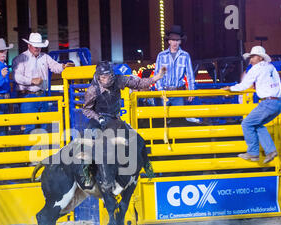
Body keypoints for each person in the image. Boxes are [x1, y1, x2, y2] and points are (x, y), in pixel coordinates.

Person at [82, 61, 166, 190]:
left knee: (137, 138)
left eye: (108, 76)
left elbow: (138, 83)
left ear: (112, 75)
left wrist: (156, 77)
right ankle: (86, 173)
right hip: (98, 119)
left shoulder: (119, 80)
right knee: (88, 141)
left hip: (114, 119)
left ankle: (147, 167)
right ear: (98, 77)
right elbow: (86, 109)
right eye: (103, 77)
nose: (106, 79)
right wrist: (98, 118)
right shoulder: (92, 90)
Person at [222, 46, 281, 164]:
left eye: (252, 57)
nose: (250, 60)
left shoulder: (256, 69)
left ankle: (253, 152)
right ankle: (270, 151)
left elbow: (243, 86)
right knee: (257, 124)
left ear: (260, 58)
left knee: (246, 123)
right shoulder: (271, 67)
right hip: (278, 103)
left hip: (268, 102)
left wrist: (230, 88)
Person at [12, 32, 74, 134]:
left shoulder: (44, 57)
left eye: (39, 47)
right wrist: (31, 80)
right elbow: (16, 77)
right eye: (35, 46)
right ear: (29, 45)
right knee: (30, 127)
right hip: (28, 96)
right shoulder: (20, 59)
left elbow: (55, 66)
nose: (37, 49)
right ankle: (30, 149)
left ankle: (41, 149)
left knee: (43, 127)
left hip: (41, 95)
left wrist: (63, 66)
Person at [154, 25, 197, 124]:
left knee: (179, 120)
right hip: (165, 92)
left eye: (177, 40)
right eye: (173, 40)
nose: (175, 42)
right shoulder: (161, 55)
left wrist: (191, 91)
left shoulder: (185, 55)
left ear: (180, 42)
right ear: (169, 41)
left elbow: (190, 75)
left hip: (179, 93)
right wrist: (161, 91)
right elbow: (157, 74)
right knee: (163, 120)